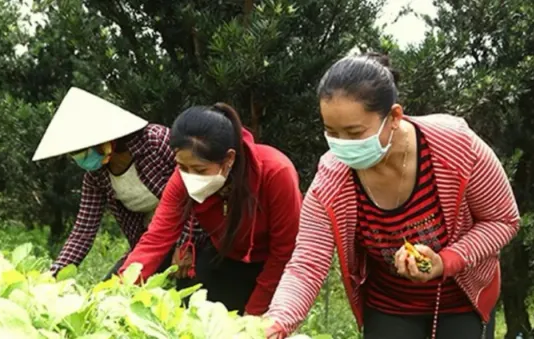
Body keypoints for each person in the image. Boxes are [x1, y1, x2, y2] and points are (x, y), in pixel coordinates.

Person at [265, 54, 520, 339]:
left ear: (395, 117)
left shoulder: (455, 146)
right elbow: (307, 264)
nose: (343, 145)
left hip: (462, 298)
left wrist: (445, 261)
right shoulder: (332, 181)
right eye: (331, 132)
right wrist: (276, 323)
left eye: (354, 132)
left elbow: (502, 220)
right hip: (390, 305)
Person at [118, 103, 302, 316]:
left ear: (229, 159)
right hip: (222, 254)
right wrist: (120, 290)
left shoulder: (276, 172)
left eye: (200, 169)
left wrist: (254, 316)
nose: (189, 176)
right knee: (193, 316)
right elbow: (157, 238)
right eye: (182, 167)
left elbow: (284, 252)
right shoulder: (182, 179)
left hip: (269, 264)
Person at [32, 87, 207, 280]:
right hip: (152, 241)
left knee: (192, 292)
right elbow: (83, 231)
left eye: (82, 150)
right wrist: (53, 275)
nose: (79, 158)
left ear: (105, 140)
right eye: (75, 153)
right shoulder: (96, 178)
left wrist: (186, 244)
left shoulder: (155, 142)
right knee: (114, 291)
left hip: (197, 232)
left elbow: (197, 190)